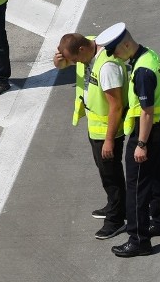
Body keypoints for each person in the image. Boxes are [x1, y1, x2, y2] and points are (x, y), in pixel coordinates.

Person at [96, 22, 160, 258]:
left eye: (116, 51)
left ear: (127, 44)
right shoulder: (149, 54)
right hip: (159, 127)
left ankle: (139, 239)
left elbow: (146, 110)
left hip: (147, 132)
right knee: (157, 174)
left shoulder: (142, 71)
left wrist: (141, 144)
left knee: (137, 188)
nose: (115, 57)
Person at [54, 33, 127, 240]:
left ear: (82, 50)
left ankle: (116, 219)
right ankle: (116, 205)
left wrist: (110, 140)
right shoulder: (86, 44)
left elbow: (116, 106)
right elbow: (64, 62)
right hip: (95, 127)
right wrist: (59, 62)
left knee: (111, 175)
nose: (73, 64)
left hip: (107, 131)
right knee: (106, 173)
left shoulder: (107, 67)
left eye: (74, 60)